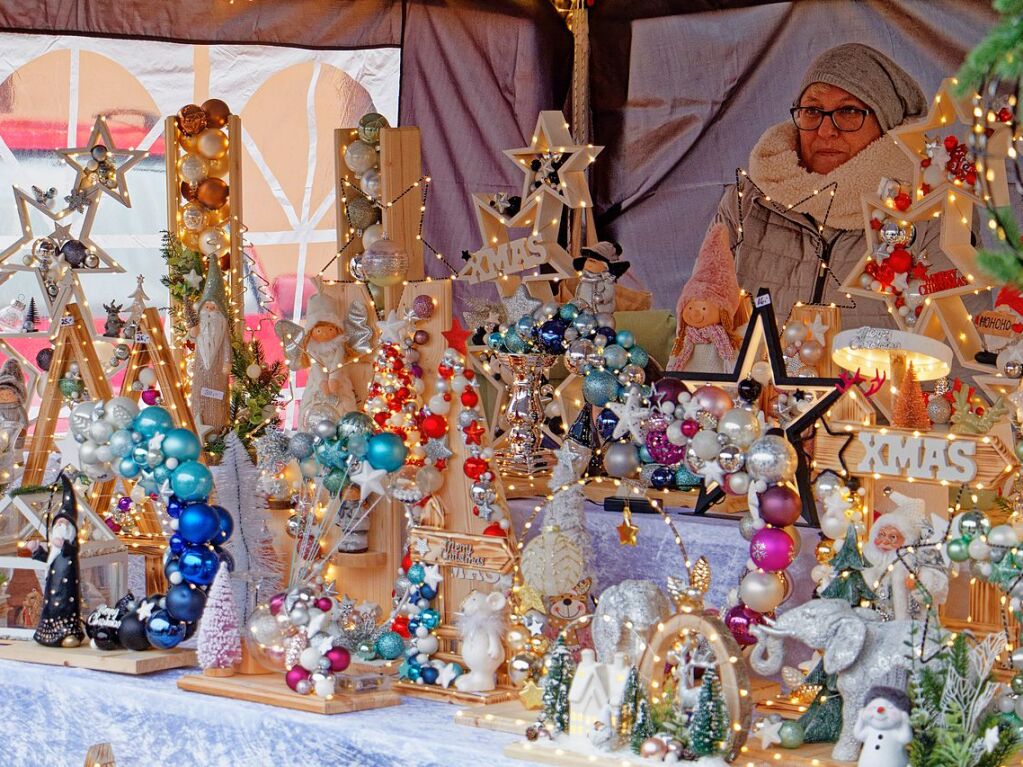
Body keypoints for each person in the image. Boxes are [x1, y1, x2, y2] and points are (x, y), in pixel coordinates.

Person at [693, 43, 933, 327]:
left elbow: (955, 344)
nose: (826, 130)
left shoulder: (927, 209)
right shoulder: (746, 202)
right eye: (813, 110)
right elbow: (700, 310)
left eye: (848, 111)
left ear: (886, 123)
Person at [861, 491, 948, 621]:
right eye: (881, 535)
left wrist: (918, 584)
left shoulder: (914, 563)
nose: (885, 541)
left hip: (910, 630)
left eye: (893, 537)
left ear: (906, 540)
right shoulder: (868, 563)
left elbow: (935, 589)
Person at [189, 259, 233, 435]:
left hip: (218, 370)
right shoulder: (199, 327)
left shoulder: (222, 328)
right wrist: (192, 332)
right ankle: (197, 424)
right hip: (201, 369)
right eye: (206, 306)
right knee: (199, 395)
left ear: (220, 310)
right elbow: (191, 338)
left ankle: (216, 428)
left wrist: (227, 362)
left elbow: (227, 346)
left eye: (213, 307)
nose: (209, 310)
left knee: (217, 396)